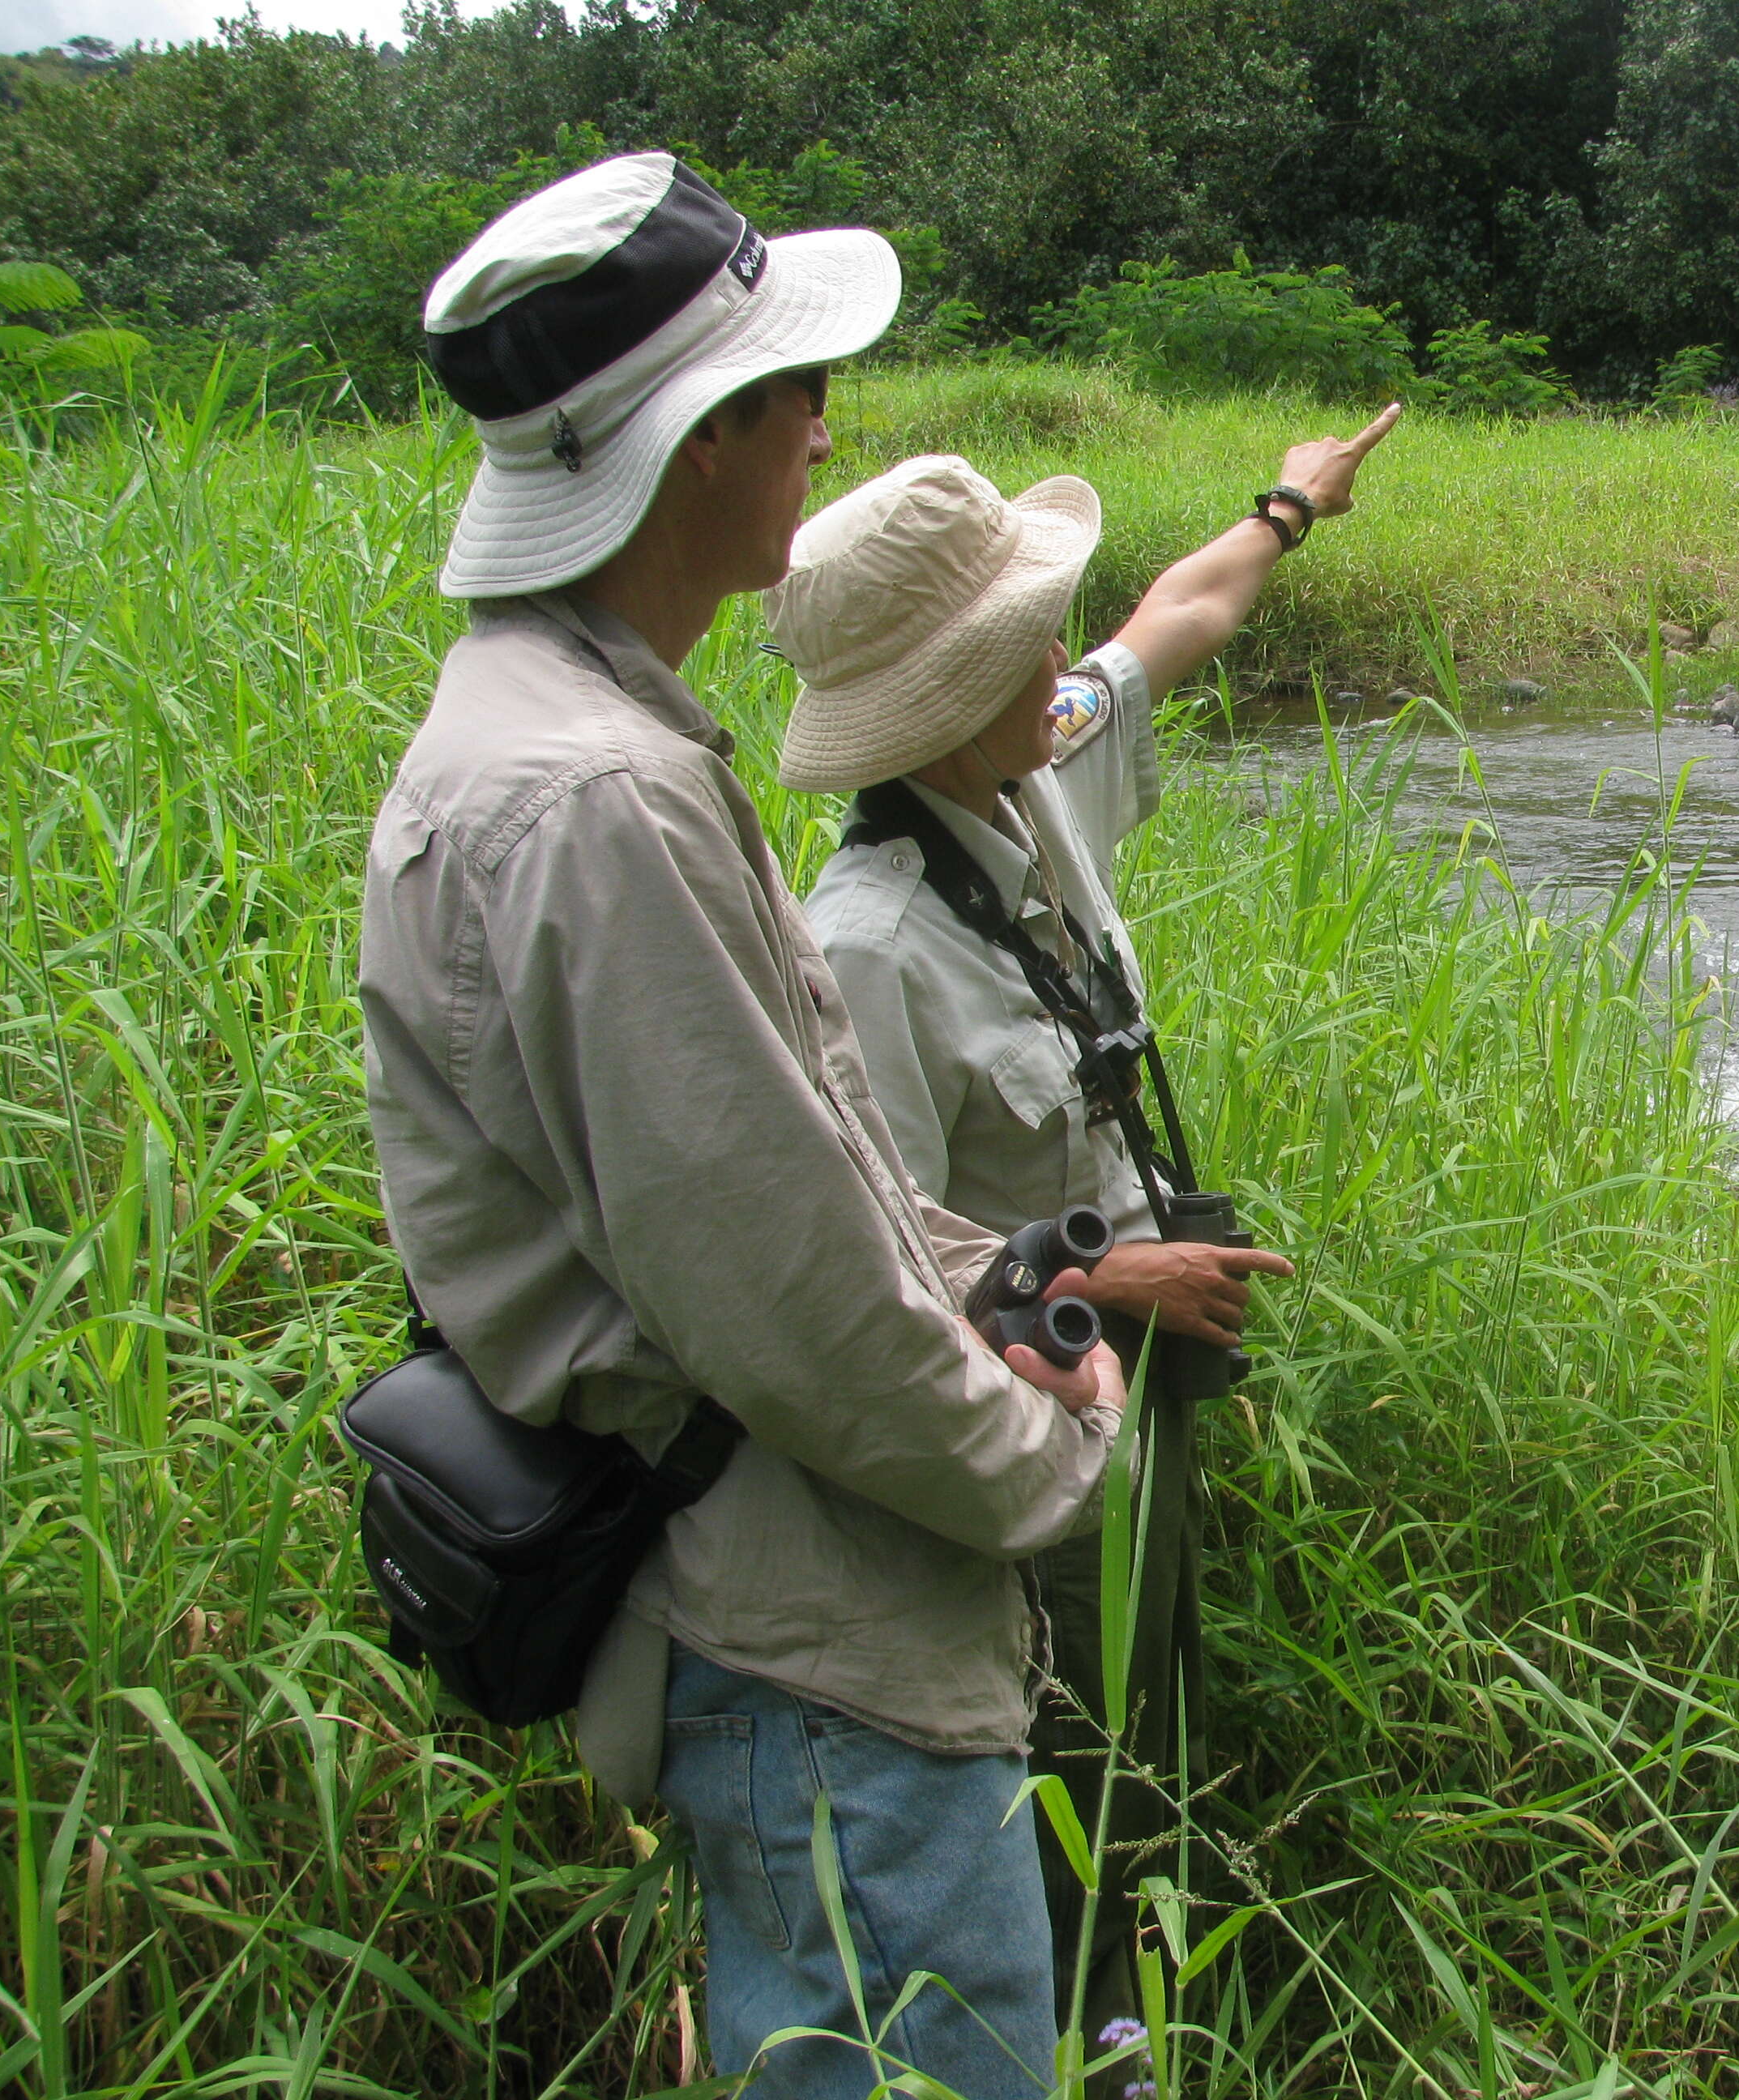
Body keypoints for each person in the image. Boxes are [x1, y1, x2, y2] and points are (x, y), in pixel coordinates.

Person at [358, 152, 1127, 2099]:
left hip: (780, 1625)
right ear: (699, 440)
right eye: (795, 394)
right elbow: (781, 1294)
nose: (819, 429)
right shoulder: (596, 801)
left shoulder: (559, 734)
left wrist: (989, 1274)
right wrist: (1048, 1449)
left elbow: (818, 1182)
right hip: (822, 1654)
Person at [766, 404, 1400, 2048]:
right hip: (1028, 1409)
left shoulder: (1026, 773)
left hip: (1141, 1352)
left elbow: (1170, 622)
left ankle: (1151, 1988)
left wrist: (1291, 501)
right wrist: (1117, 1273)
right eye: (1018, 633)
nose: (1059, 648)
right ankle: (1093, 2032)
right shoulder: (872, 948)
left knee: (1156, 1700)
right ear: (944, 695)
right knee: (1067, 1729)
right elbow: (877, 1268)